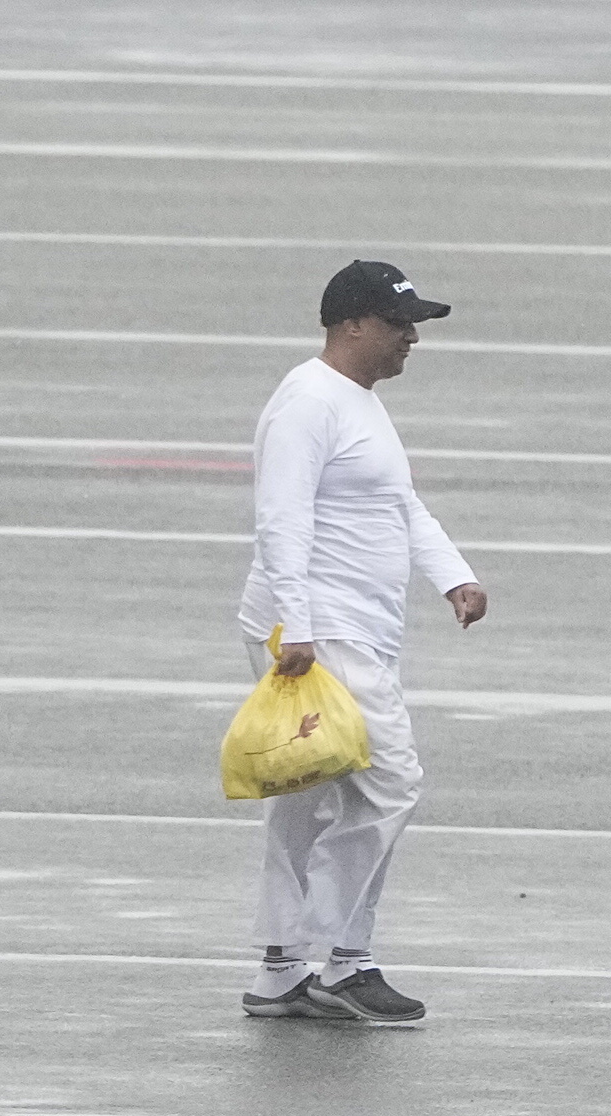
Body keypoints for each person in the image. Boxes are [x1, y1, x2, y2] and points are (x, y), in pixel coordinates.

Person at [236, 260, 488, 1022]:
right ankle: (342, 958)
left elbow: (399, 504)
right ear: (351, 325)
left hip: (347, 629)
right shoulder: (308, 403)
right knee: (390, 782)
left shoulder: (357, 402)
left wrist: (454, 576)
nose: (412, 338)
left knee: (307, 796)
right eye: (398, 324)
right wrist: (299, 626)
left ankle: (282, 970)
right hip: (319, 632)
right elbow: (282, 518)